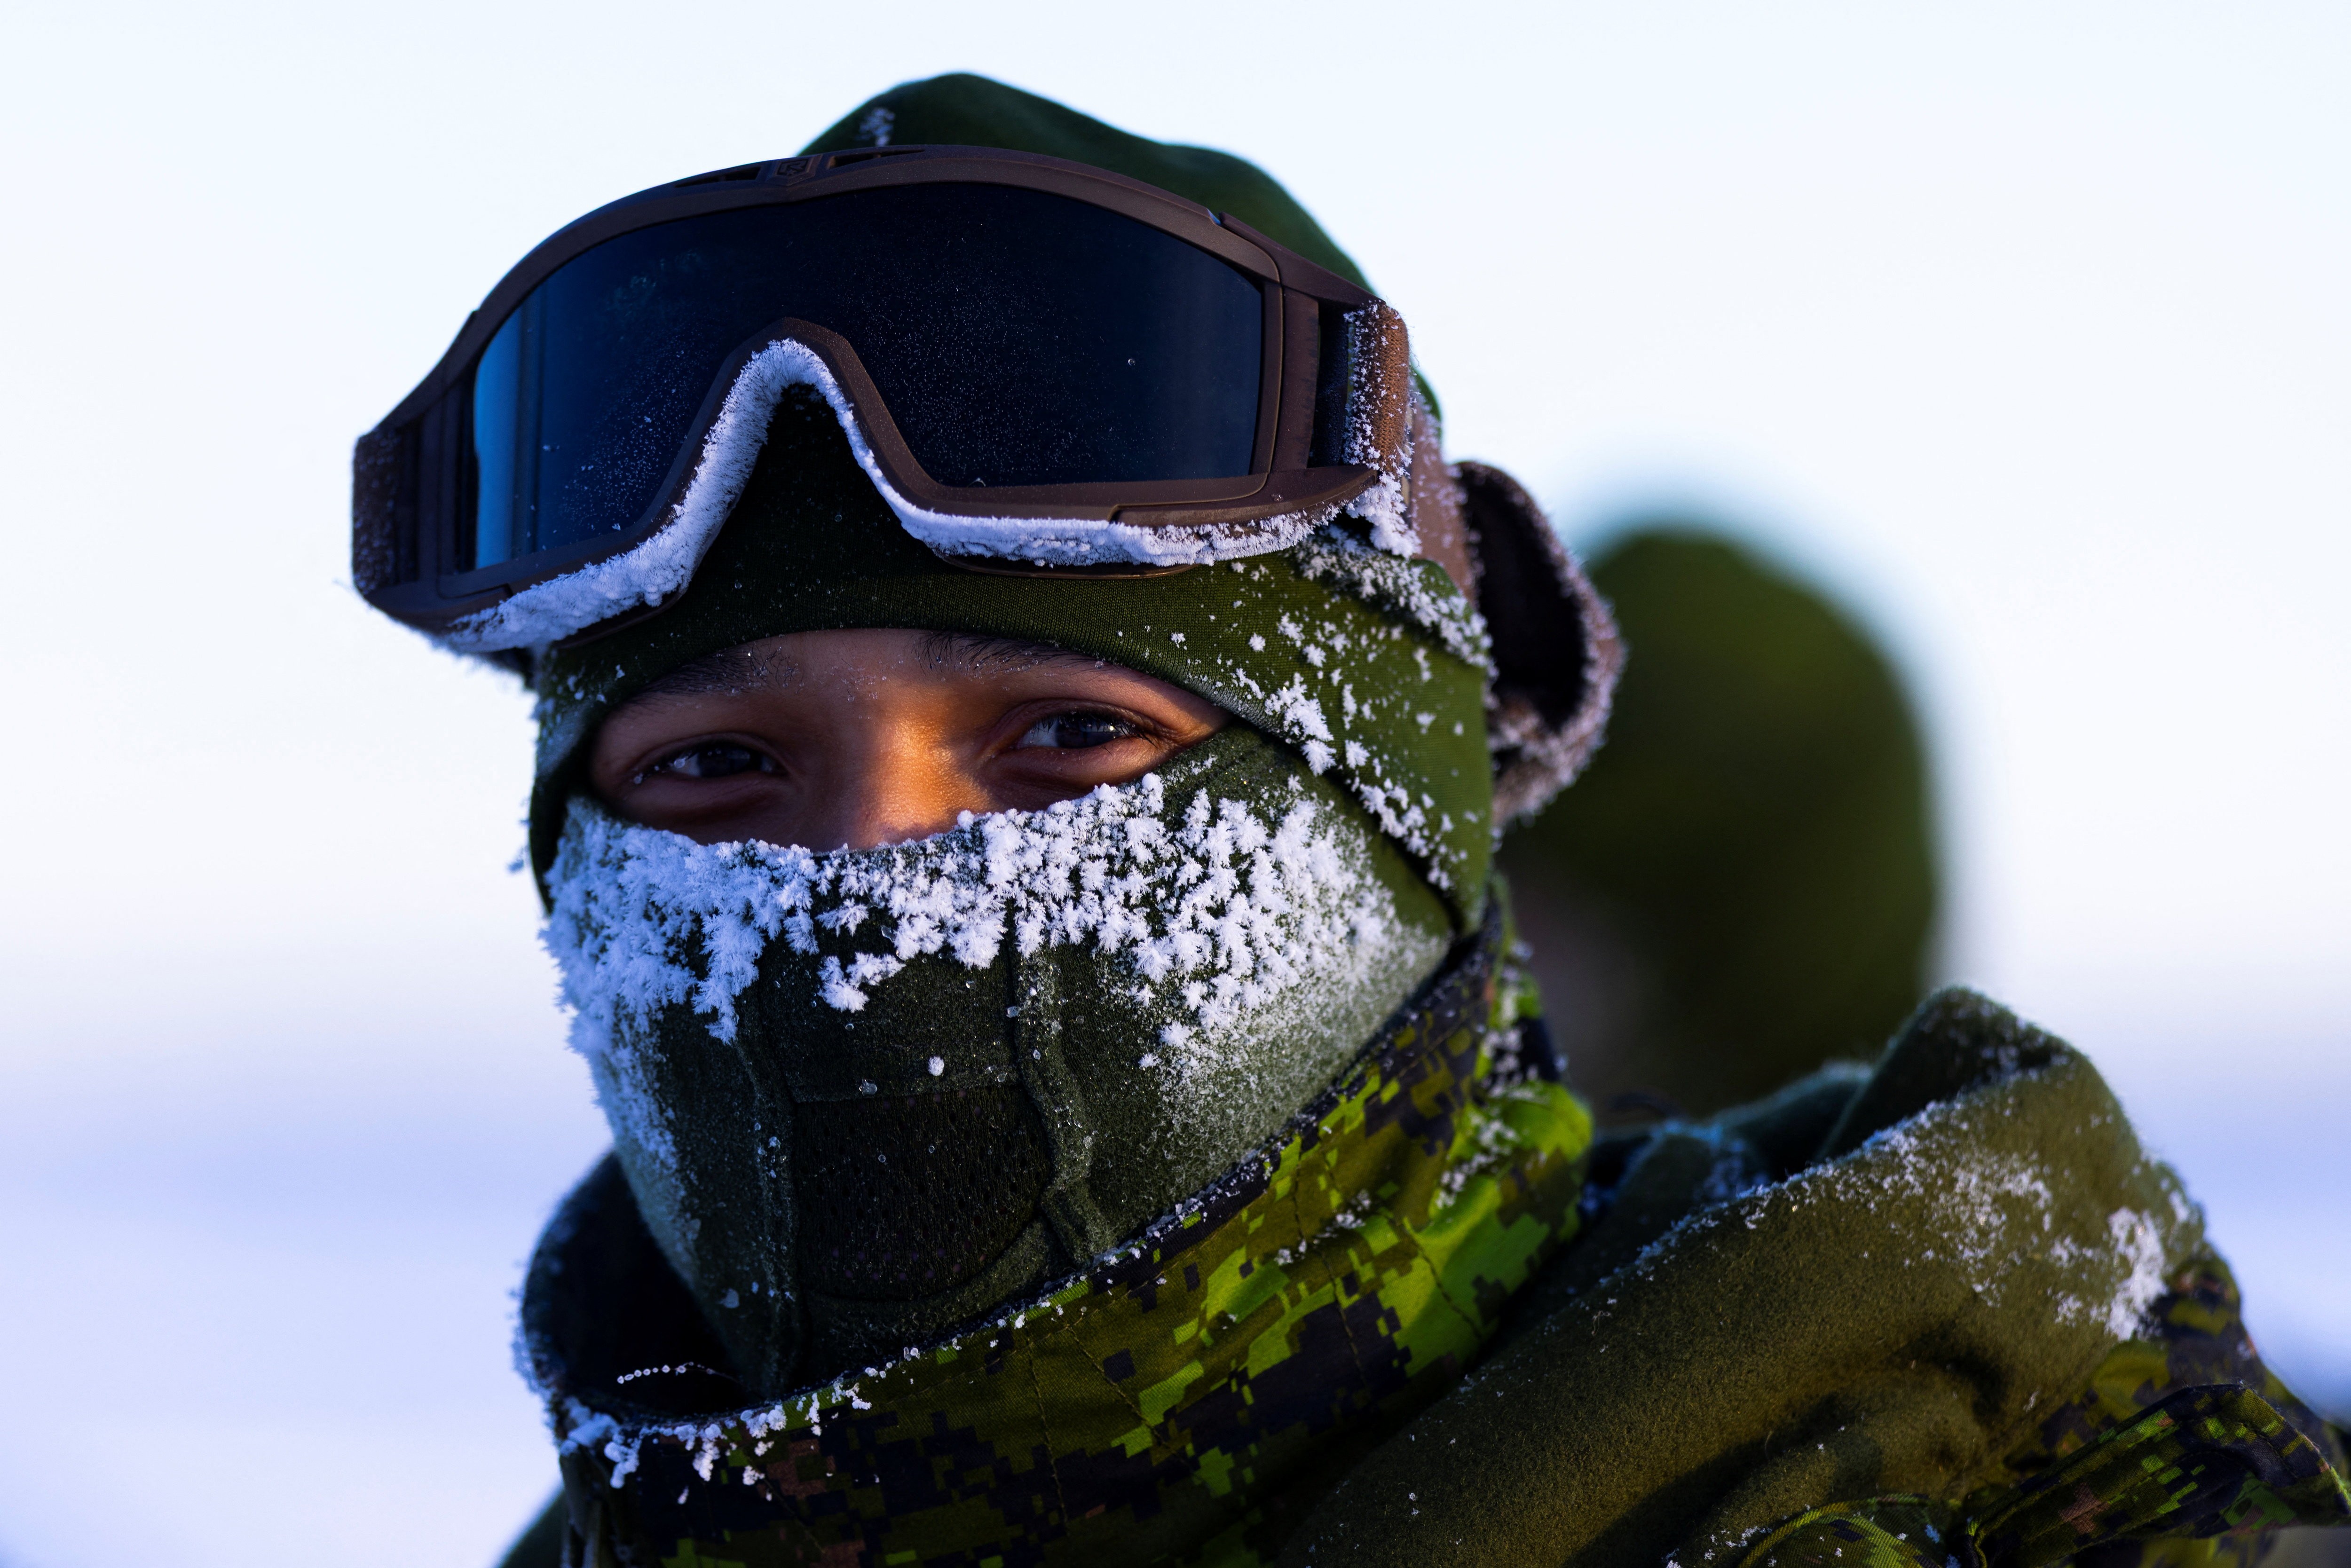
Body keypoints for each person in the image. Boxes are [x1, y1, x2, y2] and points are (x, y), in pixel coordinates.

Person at [351, 74, 2347, 1568]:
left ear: (1401, 829)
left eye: (1061, 735)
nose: (872, 877)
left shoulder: (1999, 1496)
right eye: (711, 768)